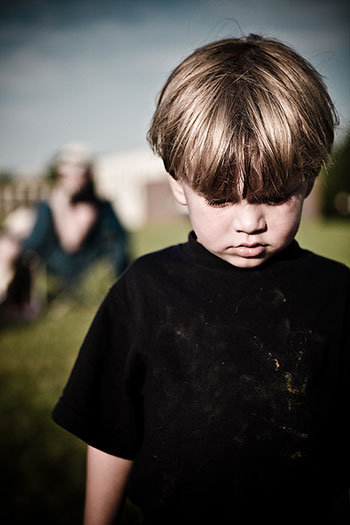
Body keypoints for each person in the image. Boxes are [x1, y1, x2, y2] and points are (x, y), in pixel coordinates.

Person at [52, 35, 349, 524]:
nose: (249, 222)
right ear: (178, 184)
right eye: (222, 198)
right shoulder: (144, 291)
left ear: (309, 178)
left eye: (274, 196)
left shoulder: (338, 295)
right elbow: (110, 432)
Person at [0, 143, 130, 317]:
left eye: (78, 175)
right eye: (65, 175)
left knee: (41, 215)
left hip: (69, 261)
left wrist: (60, 205)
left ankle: (11, 295)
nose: (70, 180)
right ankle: (9, 293)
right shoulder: (57, 200)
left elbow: (71, 242)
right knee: (8, 244)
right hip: (46, 251)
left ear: (88, 176)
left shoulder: (88, 205)